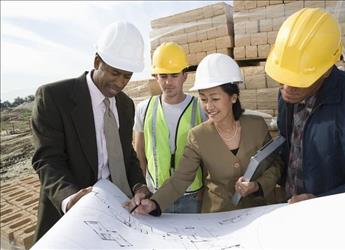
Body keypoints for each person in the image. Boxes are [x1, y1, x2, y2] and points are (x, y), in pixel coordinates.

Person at [31, 21, 151, 241]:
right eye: (115, 72)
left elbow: (127, 155)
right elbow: (47, 160)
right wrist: (69, 198)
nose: (120, 83)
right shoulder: (54, 98)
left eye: (127, 76)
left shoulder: (125, 105)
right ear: (97, 61)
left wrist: (139, 185)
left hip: (114, 210)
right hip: (68, 217)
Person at [126, 53, 283, 215]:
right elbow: (181, 178)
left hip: (257, 213)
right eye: (203, 99)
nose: (208, 106)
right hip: (217, 217)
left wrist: (257, 186)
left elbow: (275, 164)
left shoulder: (256, 126)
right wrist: (154, 203)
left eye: (215, 99)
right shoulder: (198, 136)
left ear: (233, 97)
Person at [264, 8, 345, 204]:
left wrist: (323, 202)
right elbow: (287, 145)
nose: (287, 88)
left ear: (325, 71)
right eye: (282, 77)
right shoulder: (287, 95)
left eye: (298, 80)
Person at [133, 42, 205, 213]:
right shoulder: (144, 108)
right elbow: (139, 151)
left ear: (184, 75)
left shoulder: (200, 108)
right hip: (155, 195)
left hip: (192, 195)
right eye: (163, 76)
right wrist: (144, 186)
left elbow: (208, 153)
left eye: (174, 75)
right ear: (156, 76)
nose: (168, 82)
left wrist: (206, 187)